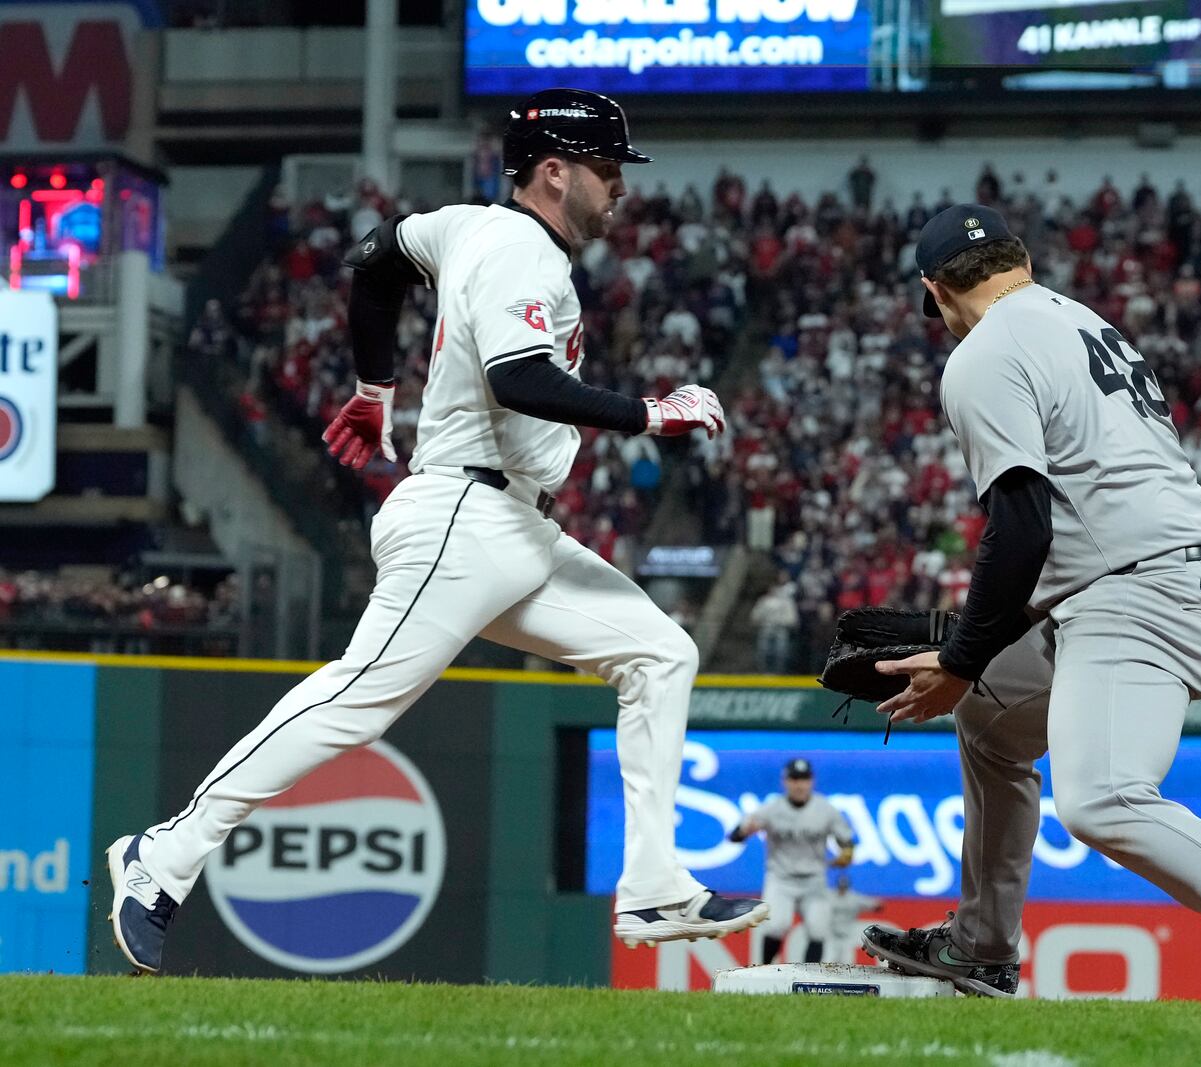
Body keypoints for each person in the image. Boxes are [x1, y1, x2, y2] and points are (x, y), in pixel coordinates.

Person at [104, 89, 768, 974]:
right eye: (606, 169)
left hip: (515, 529)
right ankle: (166, 853)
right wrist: (652, 413)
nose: (618, 187)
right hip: (464, 518)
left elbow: (374, 259)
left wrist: (375, 389)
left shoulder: (461, 225)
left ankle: (652, 883)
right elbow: (521, 379)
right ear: (555, 172)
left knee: (661, 653)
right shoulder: (520, 250)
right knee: (355, 700)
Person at [860, 204, 1201, 1003]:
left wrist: (962, 655)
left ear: (934, 290)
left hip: (1136, 589)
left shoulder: (982, 354)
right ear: (1019, 258)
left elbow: (1022, 525)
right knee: (991, 723)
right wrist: (973, 661)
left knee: (1103, 796)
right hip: (1152, 577)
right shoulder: (1081, 321)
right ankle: (980, 946)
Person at [730, 758, 854, 965]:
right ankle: (764, 971)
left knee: (818, 930)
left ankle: (809, 979)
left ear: (811, 781)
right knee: (776, 926)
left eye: (804, 779)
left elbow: (847, 839)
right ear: (785, 781)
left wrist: (847, 851)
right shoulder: (772, 809)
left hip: (814, 879)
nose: (799, 784)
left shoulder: (825, 809)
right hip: (781, 878)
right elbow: (734, 836)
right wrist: (744, 831)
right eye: (794, 779)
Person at [823, 873, 884, 964]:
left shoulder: (853, 898)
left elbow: (875, 904)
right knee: (827, 962)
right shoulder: (830, 896)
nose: (842, 888)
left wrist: (876, 905)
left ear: (847, 886)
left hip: (847, 936)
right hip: (831, 936)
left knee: (847, 964)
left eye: (844, 886)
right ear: (837, 885)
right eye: (841, 886)